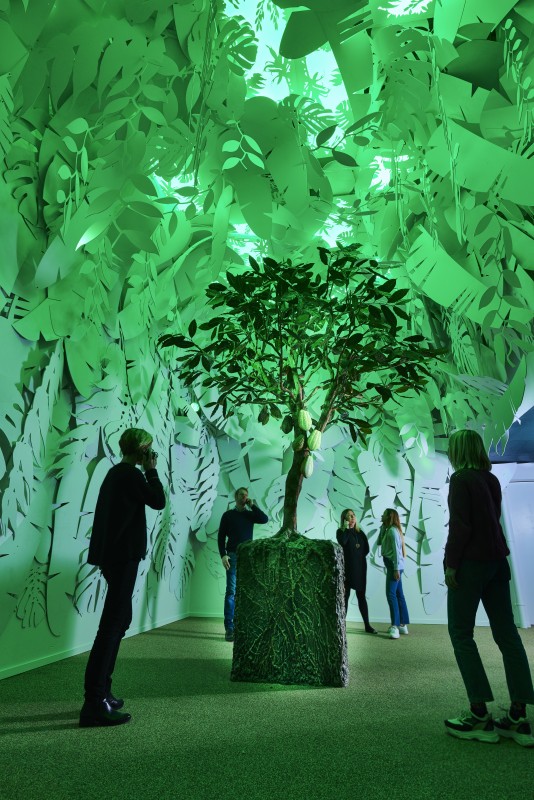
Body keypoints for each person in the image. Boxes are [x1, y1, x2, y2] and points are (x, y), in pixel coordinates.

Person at [443, 429, 534, 745]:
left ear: (458, 451)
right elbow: (492, 521)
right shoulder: (491, 480)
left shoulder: (460, 480)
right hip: (497, 563)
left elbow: (460, 527)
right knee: (508, 635)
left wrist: (451, 564)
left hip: (471, 565)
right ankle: (519, 717)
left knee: (461, 633)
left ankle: (479, 714)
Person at [79, 428, 166, 727]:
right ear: (142, 451)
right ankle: (93, 703)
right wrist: (151, 471)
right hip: (122, 558)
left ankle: (102, 692)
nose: (151, 454)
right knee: (111, 626)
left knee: (120, 621)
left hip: (115, 558)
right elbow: (158, 501)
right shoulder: (131, 475)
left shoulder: (116, 473)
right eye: (149, 450)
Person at [218, 487, 268, 641]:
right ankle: (229, 628)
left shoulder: (250, 515)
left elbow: (264, 519)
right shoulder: (228, 515)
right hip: (232, 556)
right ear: (235, 497)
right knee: (231, 592)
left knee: (247, 592)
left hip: (248, 557)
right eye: (241, 495)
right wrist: (223, 555)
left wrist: (252, 505)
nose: (244, 497)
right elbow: (221, 537)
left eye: (246, 495)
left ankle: (244, 626)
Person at [336, 509, 376, 634]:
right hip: (347, 569)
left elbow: (367, 549)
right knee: (345, 597)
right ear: (344, 519)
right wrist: (347, 529)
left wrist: (357, 556)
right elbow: (343, 542)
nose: (352, 517)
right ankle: (342, 626)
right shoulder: (341, 532)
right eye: (349, 516)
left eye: (353, 515)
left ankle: (367, 625)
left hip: (360, 568)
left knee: (361, 597)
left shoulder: (360, 533)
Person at [378, 508, 410, 640]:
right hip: (394, 566)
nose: (382, 515)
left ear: (389, 517)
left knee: (391, 595)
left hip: (394, 566)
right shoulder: (388, 530)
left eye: (384, 514)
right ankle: (402, 625)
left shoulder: (392, 531)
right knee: (399, 594)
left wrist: (396, 569)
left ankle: (395, 626)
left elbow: (397, 551)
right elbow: (379, 542)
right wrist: (382, 528)